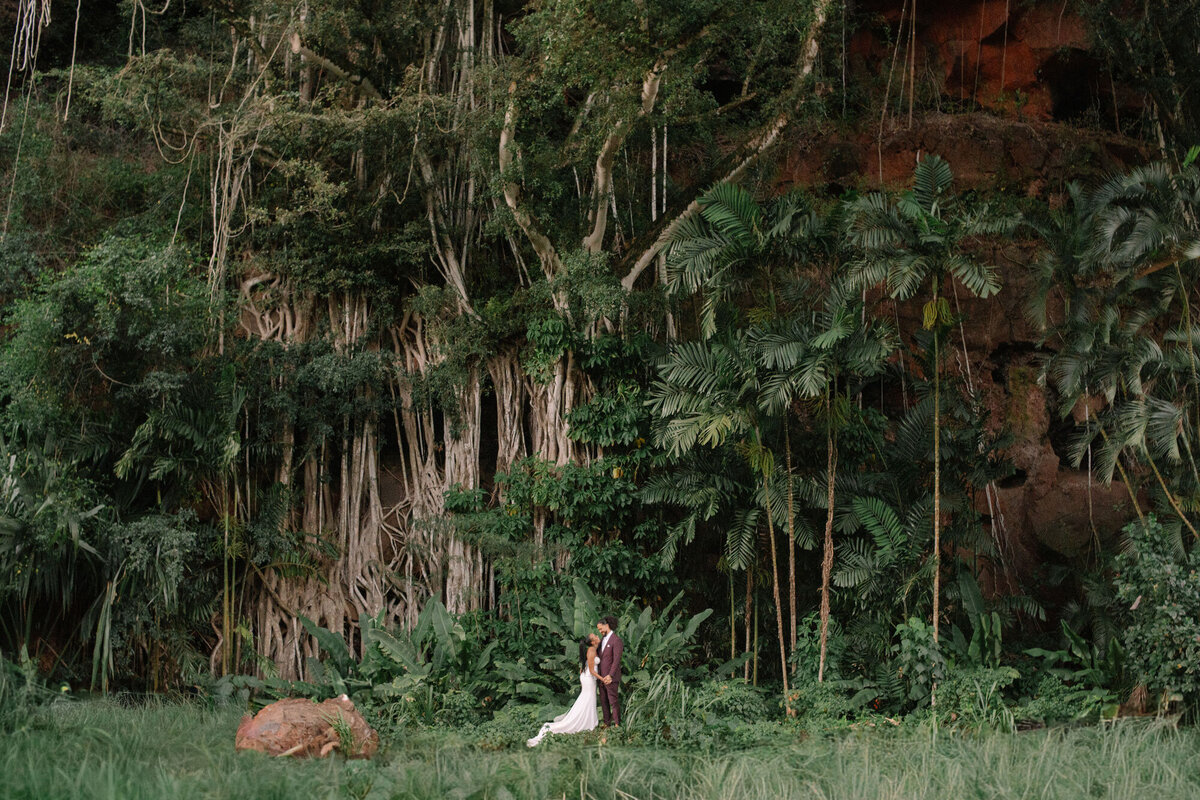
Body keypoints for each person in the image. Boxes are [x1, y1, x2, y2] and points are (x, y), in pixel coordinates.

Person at [526, 633, 601, 746]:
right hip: (589, 678)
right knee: (588, 698)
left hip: (587, 677)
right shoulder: (591, 651)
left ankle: (589, 721)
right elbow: (591, 670)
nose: (597, 636)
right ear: (593, 642)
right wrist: (602, 678)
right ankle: (587, 723)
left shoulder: (593, 649)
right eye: (595, 636)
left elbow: (586, 665)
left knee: (586, 699)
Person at [596, 615, 623, 727]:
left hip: (610, 677)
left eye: (601, 628)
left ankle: (617, 724)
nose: (600, 631)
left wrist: (610, 675)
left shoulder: (616, 640)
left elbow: (616, 660)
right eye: (598, 630)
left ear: (606, 625)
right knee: (604, 701)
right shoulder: (602, 640)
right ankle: (607, 723)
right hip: (601, 677)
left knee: (613, 701)